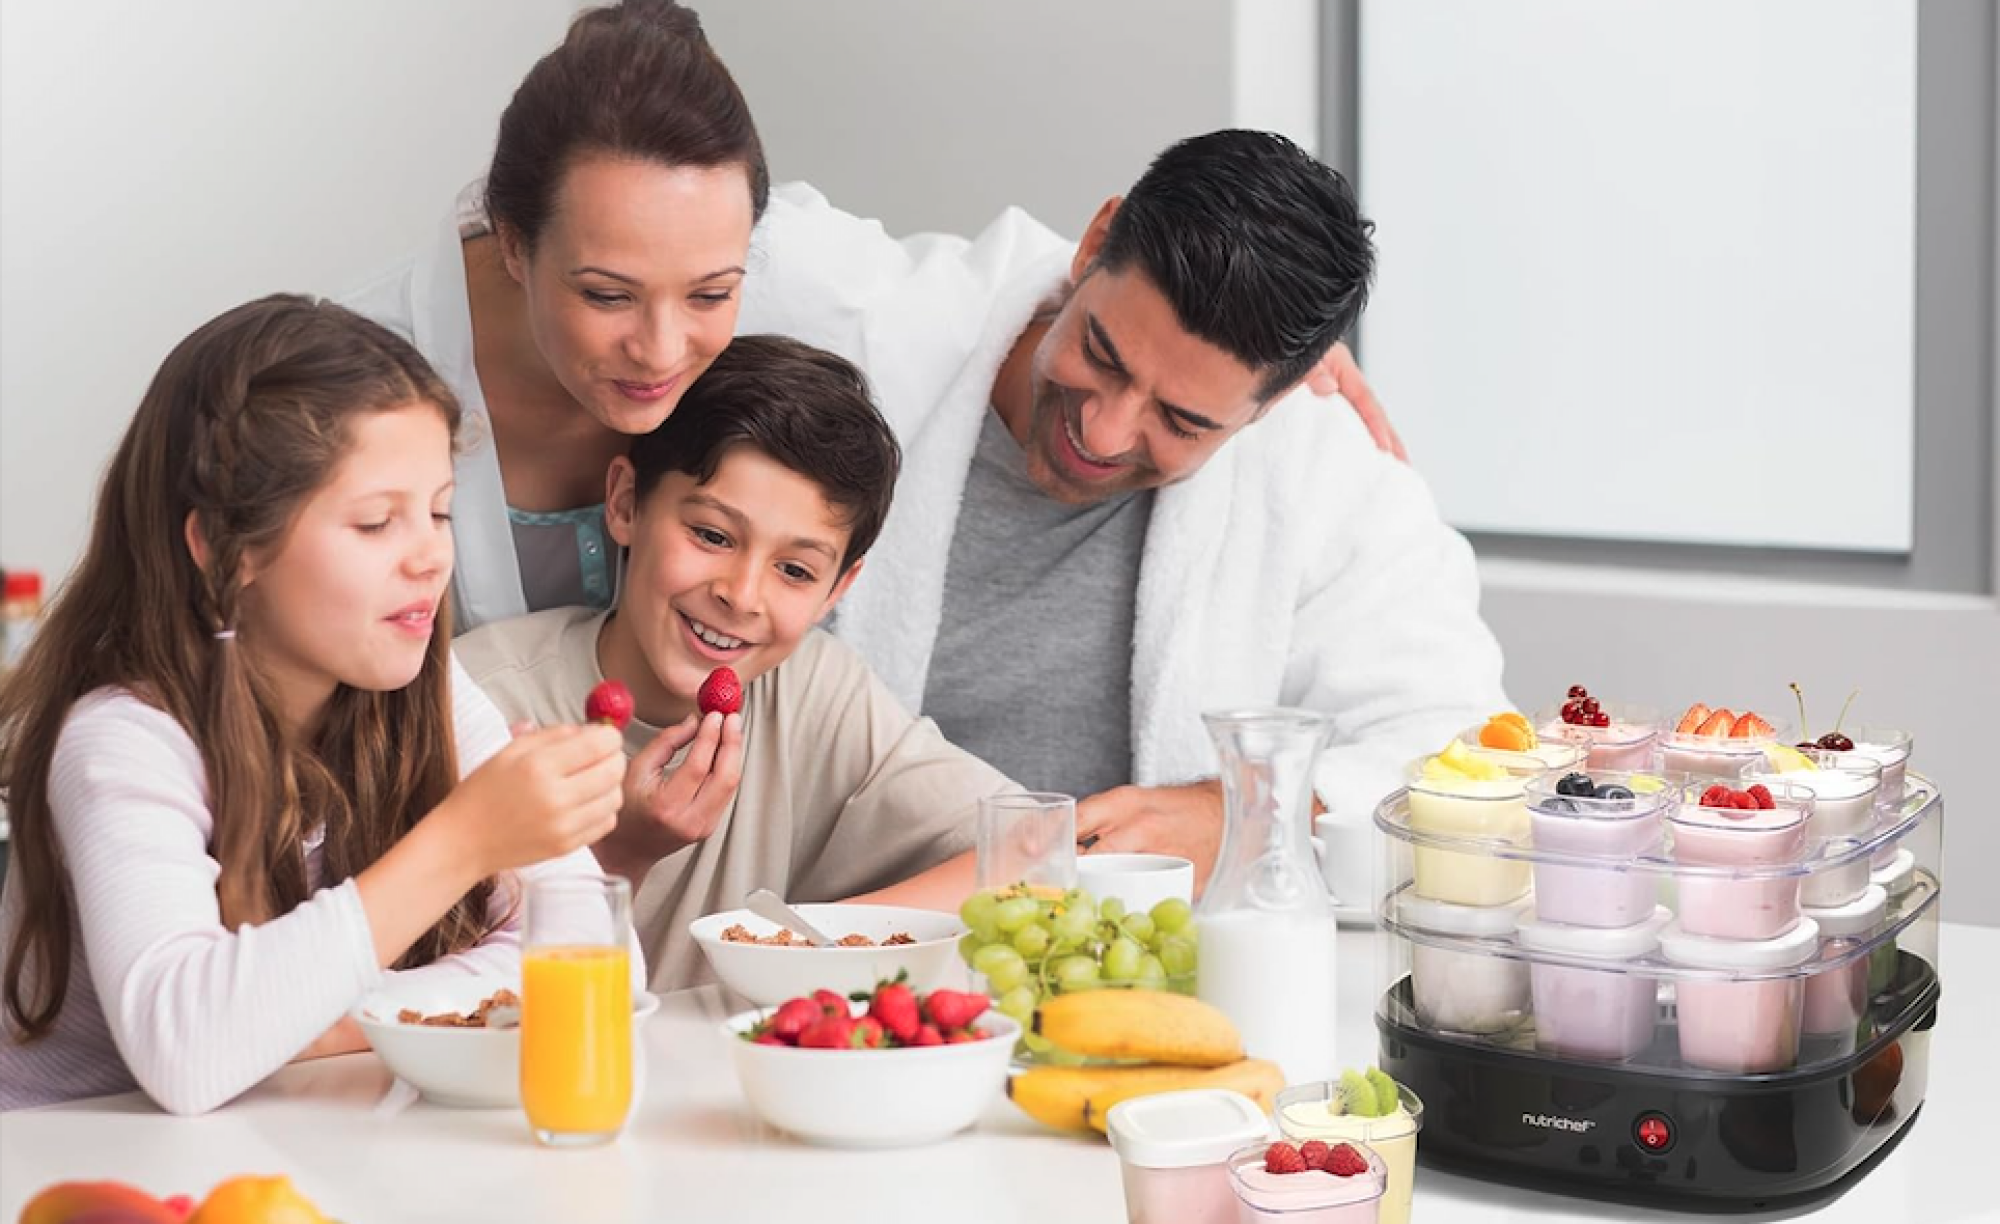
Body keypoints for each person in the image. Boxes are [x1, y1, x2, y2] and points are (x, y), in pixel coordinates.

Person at [733, 130, 1511, 862]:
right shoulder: (863, 321)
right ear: (1095, 243)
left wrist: (1247, 814)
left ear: (1270, 405)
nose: (1102, 434)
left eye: (1182, 420)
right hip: (809, 934)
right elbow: (641, 166)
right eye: (1101, 354)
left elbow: (1460, 751)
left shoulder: (1323, 467)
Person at [0, 297, 627, 1113]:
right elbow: (190, 1053)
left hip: (286, 1140)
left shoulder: (418, 685)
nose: (431, 557)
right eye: (375, 524)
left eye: (438, 512)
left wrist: (310, 1021)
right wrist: (466, 840)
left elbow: (595, 955)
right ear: (229, 546)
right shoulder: (124, 737)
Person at [456, 336, 1015, 992]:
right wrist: (623, 855)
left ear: (838, 589)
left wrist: (787, 946)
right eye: (712, 535)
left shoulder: (816, 691)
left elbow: (1038, 852)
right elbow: (444, 997)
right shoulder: (478, 699)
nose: (742, 595)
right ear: (626, 503)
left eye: (795, 570)